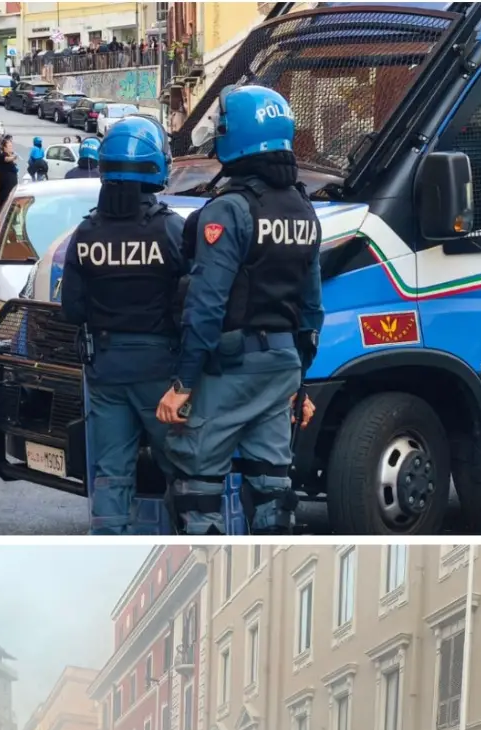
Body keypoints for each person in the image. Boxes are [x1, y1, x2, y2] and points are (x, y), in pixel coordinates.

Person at [159, 85, 322, 535]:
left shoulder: (228, 211)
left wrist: (183, 383)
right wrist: (299, 383)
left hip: (229, 367)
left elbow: (206, 304)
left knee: (197, 486)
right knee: (272, 487)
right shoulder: (304, 211)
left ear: (238, 138)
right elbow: (311, 309)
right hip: (281, 368)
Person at [60, 116, 186, 535]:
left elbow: (72, 309)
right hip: (162, 370)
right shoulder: (172, 229)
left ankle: (109, 540)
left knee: (111, 474)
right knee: (184, 469)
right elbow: (194, 303)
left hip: (106, 368)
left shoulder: (86, 233)